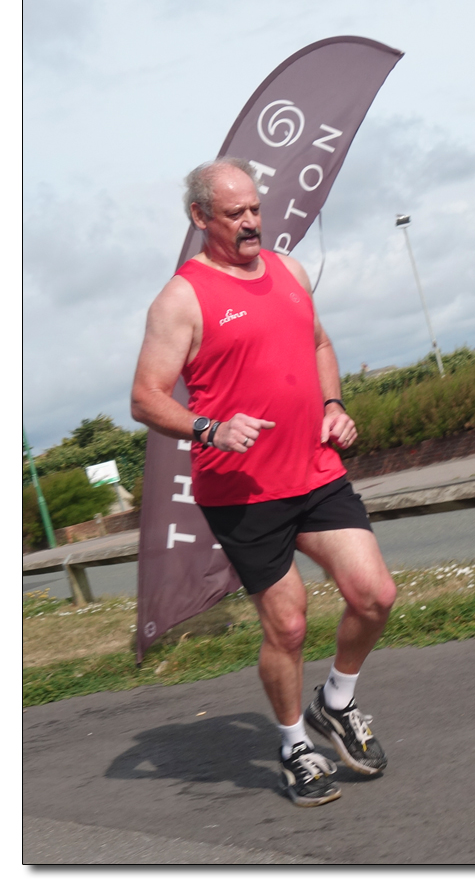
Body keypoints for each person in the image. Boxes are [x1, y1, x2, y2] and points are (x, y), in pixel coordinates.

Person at [131, 157, 396, 807]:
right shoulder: (181, 299)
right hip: (242, 492)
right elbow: (144, 398)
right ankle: (293, 745)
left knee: (375, 596)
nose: (252, 222)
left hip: (315, 471)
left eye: (255, 208)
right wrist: (208, 428)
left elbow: (320, 344)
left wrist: (333, 406)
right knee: (289, 626)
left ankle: (335, 702)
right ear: (201, 218)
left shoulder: (289, 271)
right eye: (235, 213)